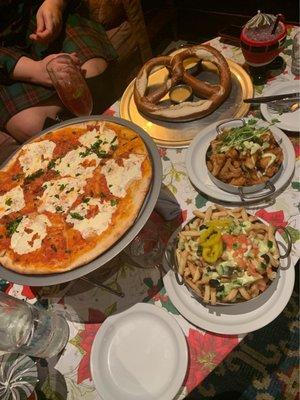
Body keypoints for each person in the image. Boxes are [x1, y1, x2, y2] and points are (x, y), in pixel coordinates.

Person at [0, 0, 118, 143]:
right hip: (4, 57)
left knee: (92, 68)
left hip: (40, 14)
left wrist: (54, 4)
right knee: (30, 123)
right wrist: (34, 70)